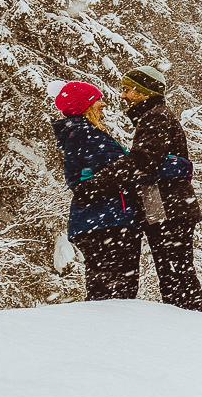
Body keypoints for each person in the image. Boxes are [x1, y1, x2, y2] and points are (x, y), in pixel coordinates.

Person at [93, 62, 202, 312]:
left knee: (174, 271)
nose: (122, 96)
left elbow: (144, 160)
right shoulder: (154, 116)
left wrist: (103, 177)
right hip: (168, 206)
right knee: (175, 269)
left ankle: (190, 323)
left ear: (143, 92)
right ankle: (189, 320)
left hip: (168, 207)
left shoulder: (155, 117)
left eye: (127, 89)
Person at [50, 81, 142, 301]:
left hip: (101, 221)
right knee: (116, 291)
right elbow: (88, 181)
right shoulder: (85, 135)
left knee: (107, 288)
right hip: (108, 222)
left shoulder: (85, 135)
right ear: (85, 106)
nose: (103, 105)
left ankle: (103, 330)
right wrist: (132, 167)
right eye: (97, 101)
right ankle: (109, 331)